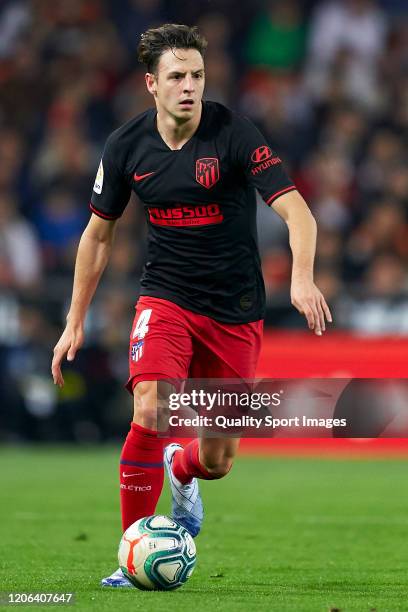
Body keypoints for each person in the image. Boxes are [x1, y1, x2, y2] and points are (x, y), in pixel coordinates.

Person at [51, 23, 332, 587]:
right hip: (167, 298)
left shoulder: (233, 132)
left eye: (197, 75)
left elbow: (297, 210)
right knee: (150, 408)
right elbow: (97, 236)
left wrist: (301, 278)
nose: (190, 86)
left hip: (234, 311)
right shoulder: (126, 146)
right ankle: (130, 558)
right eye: (177, 76)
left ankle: (182, 470)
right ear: (150, 84)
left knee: (218, 460)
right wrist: (73, 320)